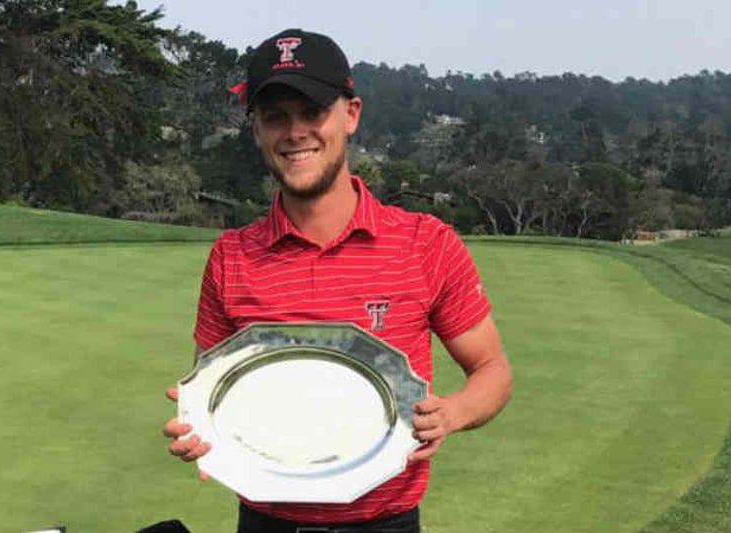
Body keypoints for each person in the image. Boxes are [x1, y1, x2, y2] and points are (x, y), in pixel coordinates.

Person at [162, 28, 512, 533]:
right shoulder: (231, 256)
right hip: (265, 522)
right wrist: (198, 428)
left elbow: (492, 369)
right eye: (275, 116)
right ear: (256, 130)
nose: (295, 132)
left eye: (313, 112)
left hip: (386, 524)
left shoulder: (426, 243)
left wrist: (452, 413)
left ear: (351, 115)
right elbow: (215, 392)